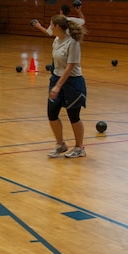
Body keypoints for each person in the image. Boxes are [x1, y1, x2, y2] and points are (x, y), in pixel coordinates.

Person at [46, 14, 88, 159]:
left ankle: (79, 147)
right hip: (56, 78)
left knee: (74, 116)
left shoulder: (73, 43)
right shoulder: (56, 40)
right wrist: (54, 81)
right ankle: (60, 144)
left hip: (73, 82)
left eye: (51, 25)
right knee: (52, 113)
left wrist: (58, 86)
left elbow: (70, 67)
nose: (50, 27)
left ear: (57, 27)